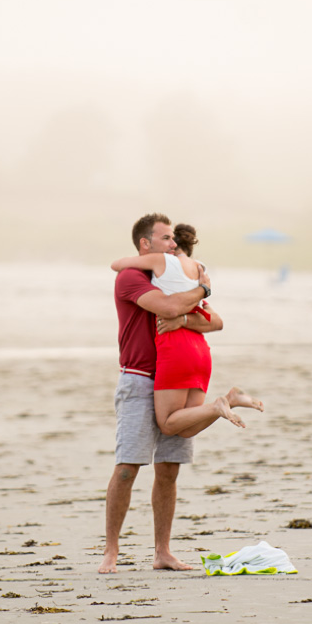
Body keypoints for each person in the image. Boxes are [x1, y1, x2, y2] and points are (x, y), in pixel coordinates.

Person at [100, 214, 258, 575]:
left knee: (168, 470)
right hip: (140, 379)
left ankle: (163, 552)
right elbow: (170, 308)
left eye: (174, 239)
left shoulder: (171, 276)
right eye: (166, 239)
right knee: (127, 468)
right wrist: (201, 291)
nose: (173, 245)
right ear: (145, 244)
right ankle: (111, 550)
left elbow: (213, 321)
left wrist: (187, 317)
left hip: (176, 378)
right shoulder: (132, 277)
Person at [110, 222, 263, 437]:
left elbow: (117, 264)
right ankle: (229, 400)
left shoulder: (163, 262)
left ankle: (218, 405)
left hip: (175, 348)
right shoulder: (200, 269)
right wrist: (193, 305)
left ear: (173, 246)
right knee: (186, 428)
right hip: (200, 351)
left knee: (168, 424)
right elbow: (217, 322)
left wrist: (144, 263)